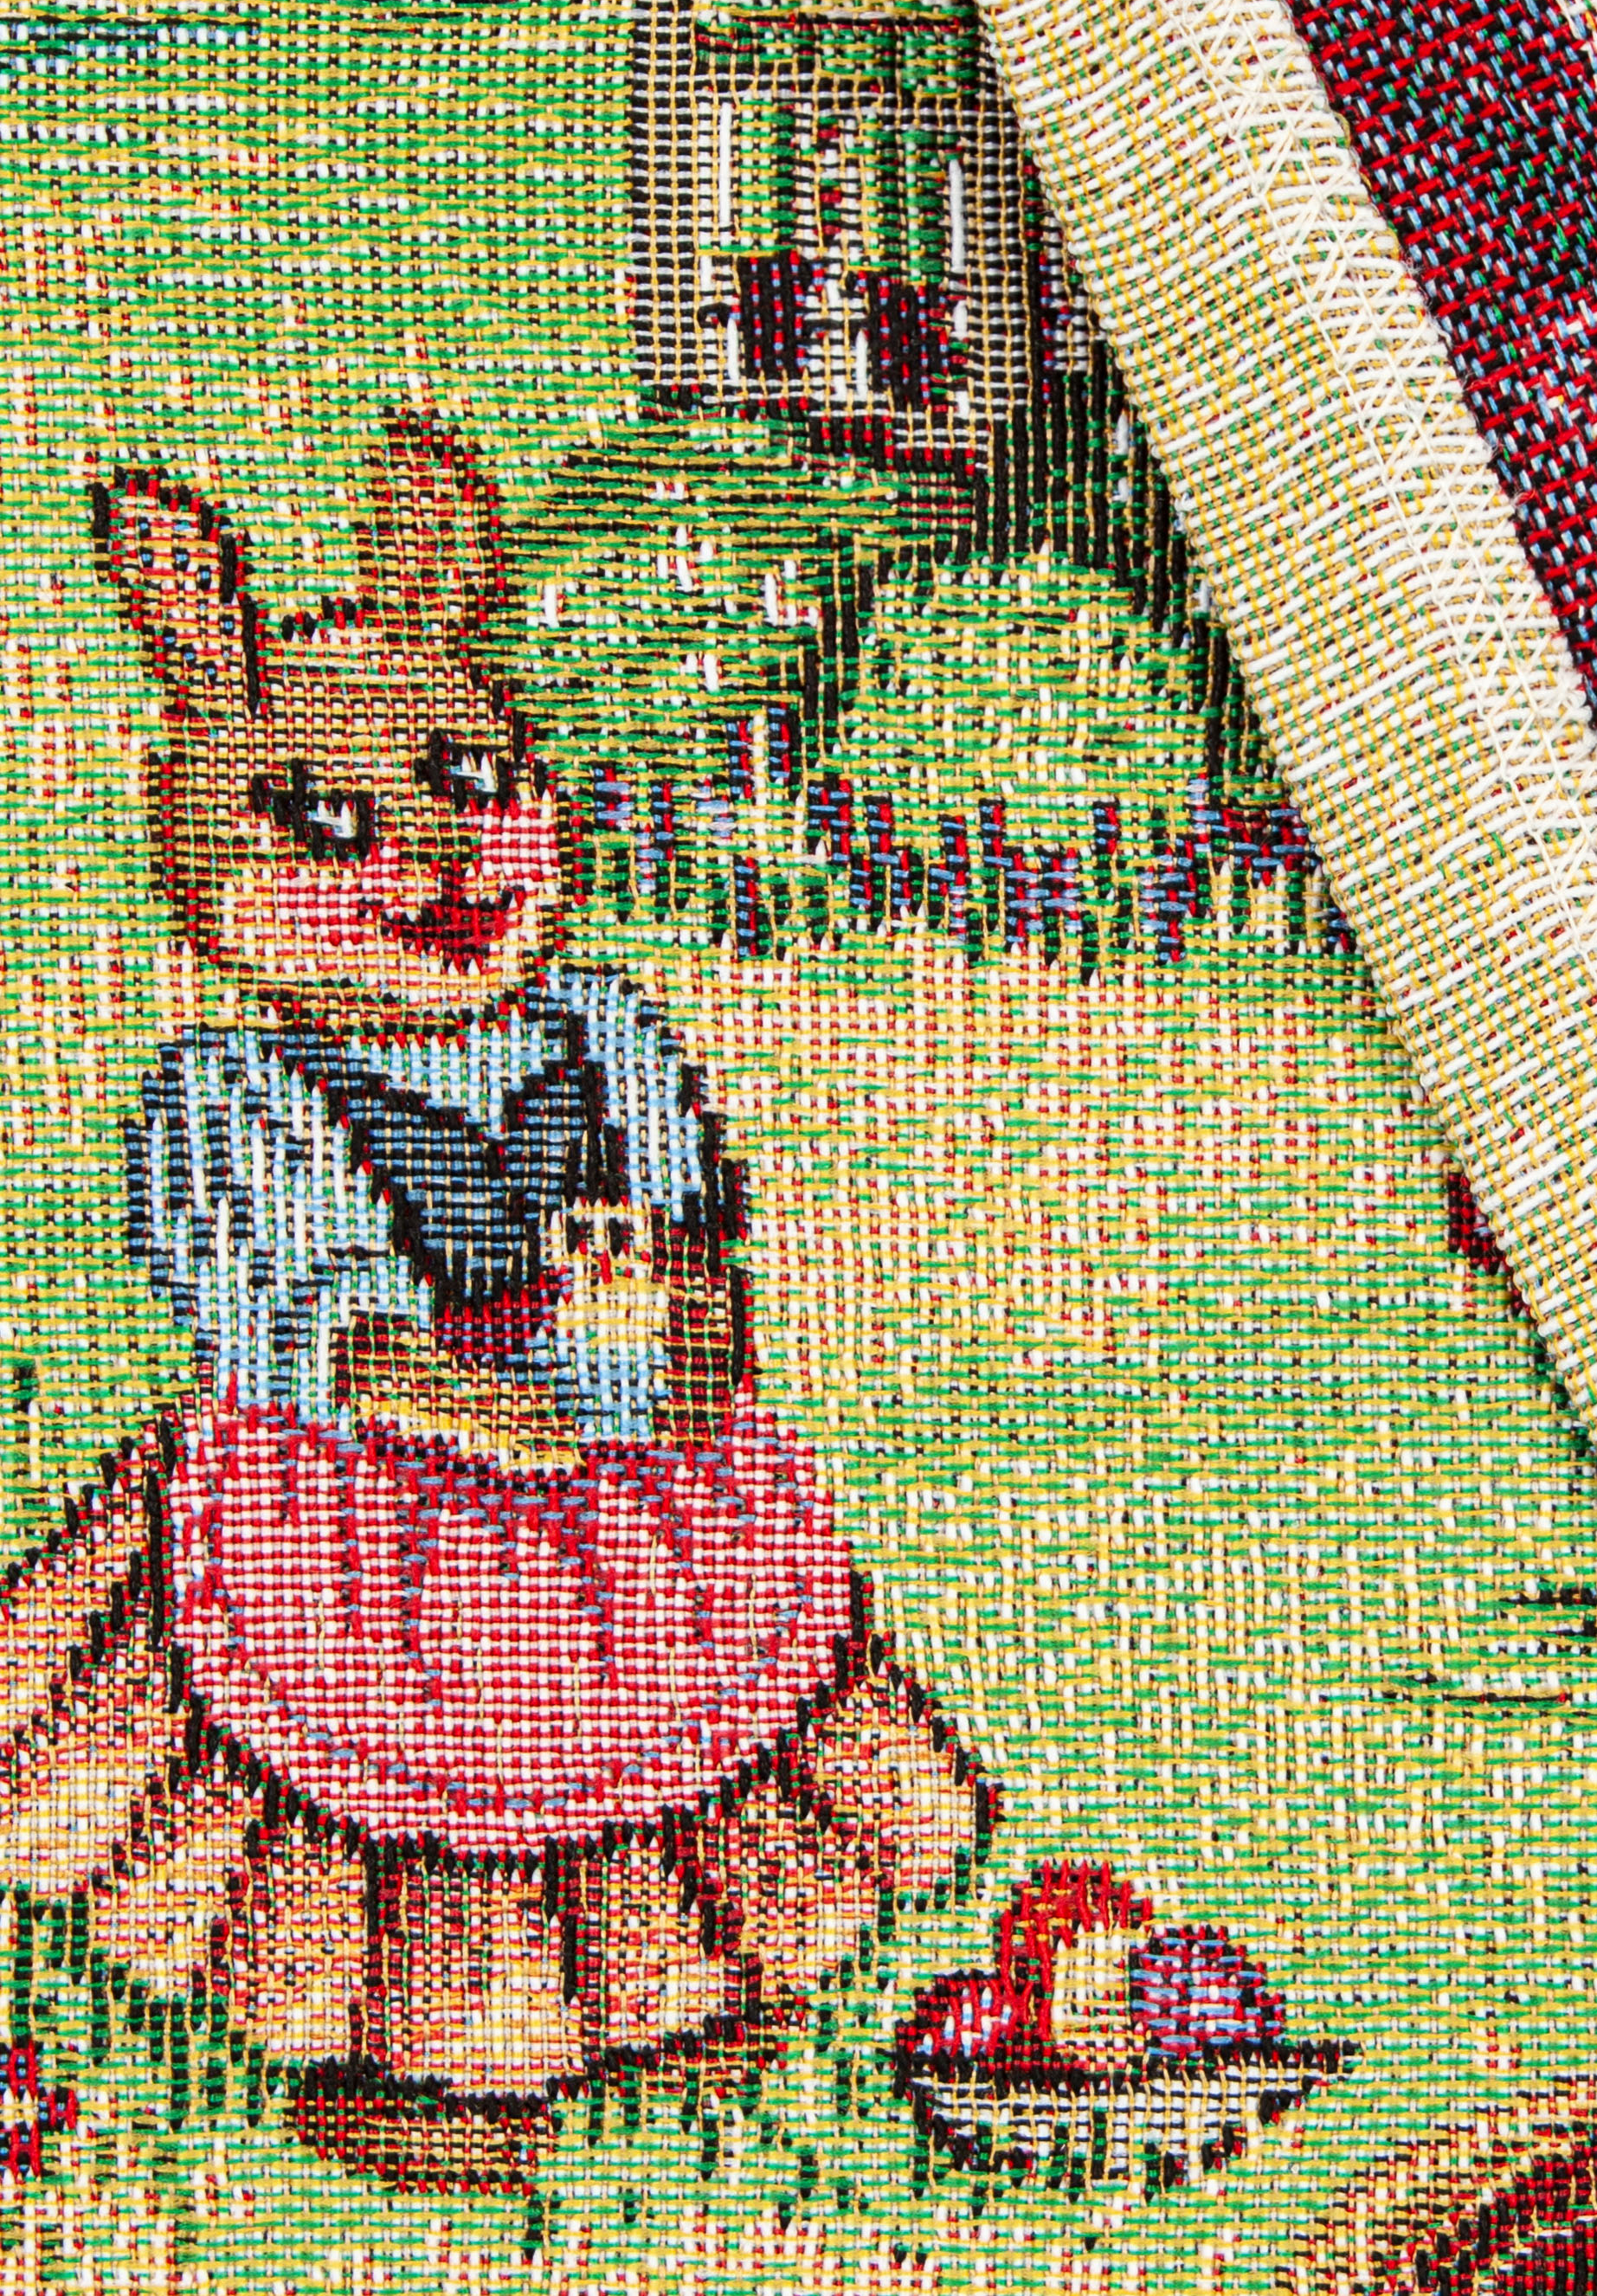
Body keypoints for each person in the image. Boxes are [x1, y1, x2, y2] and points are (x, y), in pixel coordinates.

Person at [0, 416, 985, 2164]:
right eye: (330, 824)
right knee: (419, 1746)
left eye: (472, 782)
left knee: (678, 1706)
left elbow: (685, 1219)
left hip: (628, 1448)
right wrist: (450, 1393)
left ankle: (685, 1999)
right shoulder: (245, 1092)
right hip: (366, 1486)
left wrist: (686, 1323)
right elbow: (295, 1306)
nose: (439, 859)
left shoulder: (598, 1028)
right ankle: (417, 2069)